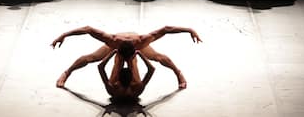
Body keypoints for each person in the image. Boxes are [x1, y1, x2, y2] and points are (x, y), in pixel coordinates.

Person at [51, 25, 202, 89]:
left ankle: (179, 73)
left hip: (135, 44)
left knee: (158, 57)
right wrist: (64, 35)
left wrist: (189, 30)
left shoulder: (142, 41)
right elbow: (88, 29)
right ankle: (67, 73)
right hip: (119, 45)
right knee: (92, 57)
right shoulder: (112, 40)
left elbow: (166, 29)